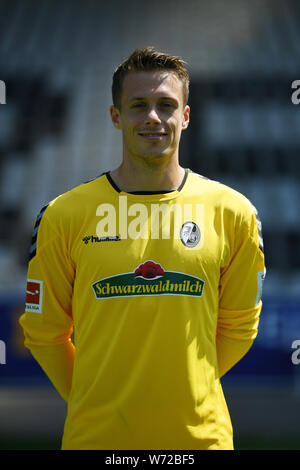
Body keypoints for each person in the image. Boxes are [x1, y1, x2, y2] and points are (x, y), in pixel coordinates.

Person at [19, 47, 266, 450]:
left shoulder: (233, 213)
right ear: (116, 116)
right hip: (97, 442)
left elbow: (239, 328)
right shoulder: (63, 215)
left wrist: (182, 393)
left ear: (185, 117)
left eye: (166, 105)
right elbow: (43, 334)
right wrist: (96, 401)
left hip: (201, 442)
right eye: (139, 105)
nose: (153, 117)